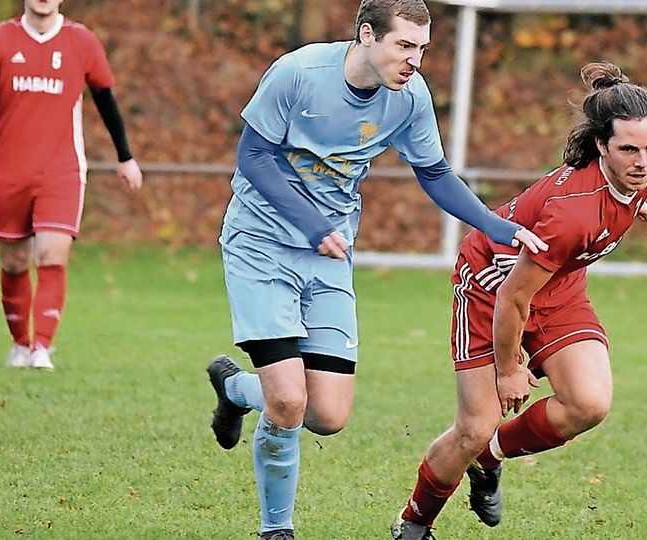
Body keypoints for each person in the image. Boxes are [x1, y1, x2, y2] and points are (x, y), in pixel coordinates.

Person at [203, 1, 547, 538]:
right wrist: (312, 225)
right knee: (289, 400)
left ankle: (236, 390)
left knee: (327, 415)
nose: (415, 61)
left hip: (329, 256)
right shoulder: (298, 73)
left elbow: (434, 173)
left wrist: (496, 226)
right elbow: (253, 157)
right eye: (404, 46)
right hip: (262, 245)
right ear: (367, 35)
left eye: (422, 49)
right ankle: (277, 528)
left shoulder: (409, 98)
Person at [391, 62, 647, 539]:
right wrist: (507, 370)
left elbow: (620, 187)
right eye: (628, 150)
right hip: (492, 285)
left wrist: (633, 202)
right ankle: (414, 524)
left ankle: (489, 457)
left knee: (587, 403)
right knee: (474, 427)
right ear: (601, 147)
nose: (643, 162)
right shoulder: (572, 216)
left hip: (559, 286)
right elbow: (512, 298)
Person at [0, 0, 143, 370]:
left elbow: (105, 99)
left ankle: (41, 348)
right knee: (14, 262)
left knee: (52, 253)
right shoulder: (1, 38)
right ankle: (20, 345)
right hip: (8, 170)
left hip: (61, 170)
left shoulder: (81, 41)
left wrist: (125, 156)